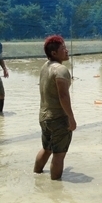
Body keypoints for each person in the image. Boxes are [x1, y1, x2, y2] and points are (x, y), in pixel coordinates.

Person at [33, 35, 77, 180]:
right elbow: (63, 96)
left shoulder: (44, 67)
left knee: (47, 149)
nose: (67, 50)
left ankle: (36, 176)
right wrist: (71, 118)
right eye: (63, 48)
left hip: (44, 117)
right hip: (58, 118)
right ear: (54, 53)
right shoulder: (61, 70)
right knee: (59, 154)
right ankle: (56, 186)